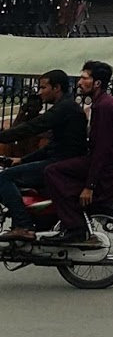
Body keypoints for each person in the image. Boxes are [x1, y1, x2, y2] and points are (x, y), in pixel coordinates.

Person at [44, 62, 113, 247]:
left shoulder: (105, 107)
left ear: (97, 83)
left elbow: (102, 149)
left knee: (52, 171)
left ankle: (75, 227)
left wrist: (89, 186)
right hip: (106, 163)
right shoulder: (102, 103)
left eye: (85, 78)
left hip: (108, 168)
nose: (79, 82)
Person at [0, 70, 87, 243]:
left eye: (43, 87)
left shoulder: (64, 108)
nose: (39, 92)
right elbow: (52, 145)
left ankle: (23, 225)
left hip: (59, 163)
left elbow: (33, 127)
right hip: (58, 159)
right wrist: (23, 160)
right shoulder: (65, 107)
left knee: (3, 178)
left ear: (57, 88)